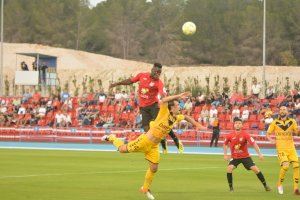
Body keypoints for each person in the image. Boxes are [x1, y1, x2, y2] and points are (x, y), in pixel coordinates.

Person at [101, 92, 207, 200]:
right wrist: (178, 96)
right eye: (176, 105)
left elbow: (187, 117)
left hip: (154, 146)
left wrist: (198, 125)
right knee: (121, 149)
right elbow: (164, 99)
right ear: (171, 108)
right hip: (144, 141)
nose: (179, 107)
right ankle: (112, 138)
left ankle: (145, 188)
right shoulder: (163, 113)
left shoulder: (176, 117)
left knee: (154, 168)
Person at [109, 63, 183, 154]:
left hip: (153, 106)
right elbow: (130, 81)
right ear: (152, 70)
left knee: (162, 124)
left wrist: (167, 98)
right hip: (143, 107)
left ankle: (175, 141)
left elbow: (162, 94)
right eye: (157, 72)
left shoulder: (158, 82)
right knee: (146, 128)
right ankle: (158, 144)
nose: (158, 74)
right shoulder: (142, 75)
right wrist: (117, 83)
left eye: (159, 73)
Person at [223, 117, 271, 192]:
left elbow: (254, 144)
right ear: (234, 125)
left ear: (242, 125)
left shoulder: (246, 135)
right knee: (229, 168)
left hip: (245, 157)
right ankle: (231, 188)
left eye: (239, 123)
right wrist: (225, 154)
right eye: (236, 123)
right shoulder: (229, 135)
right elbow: (225, 144)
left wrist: (260, 154)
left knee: (255, 169)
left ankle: (265, 186)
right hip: (235, 157)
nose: (237, 125)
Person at [266, 106, 300, 195]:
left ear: (287, 112)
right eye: (280, 110)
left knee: (296, 165)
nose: (282, 111)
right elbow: (268, 134)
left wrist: (298, 130)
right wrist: (271, 140)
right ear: (279, 112)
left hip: (291, 148)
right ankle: (279, 184)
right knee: (285, 166)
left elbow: (297, 133)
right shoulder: (275, 122)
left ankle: (296, 188)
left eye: (284, 109)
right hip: (281, 148)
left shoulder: (292, 121)